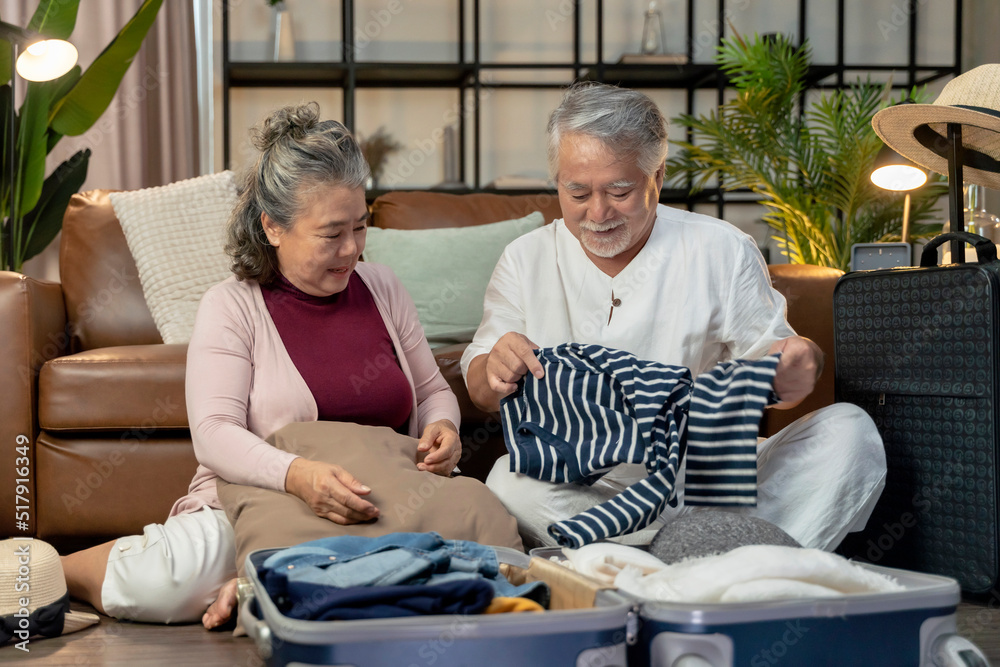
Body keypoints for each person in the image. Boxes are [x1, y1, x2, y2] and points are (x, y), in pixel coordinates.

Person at [60, 102, 463, 629]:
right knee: (165, 584)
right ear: (273, 227)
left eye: (360, 229)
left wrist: (444, 425)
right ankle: (57, 569)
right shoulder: (233, 305)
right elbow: (214, 433)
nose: (351, 250)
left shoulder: (383, 287)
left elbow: (433, 388)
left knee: (473, 554)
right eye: (331, 234)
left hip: (382, 499)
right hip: (268, 497)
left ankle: (264, 584)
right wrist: (297, 475)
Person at [461, 82, 886, 551]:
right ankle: (724, 562)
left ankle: (660, 562)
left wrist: (792, 365)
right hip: (584, 487)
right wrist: (494, 368)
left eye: (620, 191)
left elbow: (777, 368)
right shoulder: (525, 258)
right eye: (577, 192)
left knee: (851, 433)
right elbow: (480, 388)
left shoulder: (720, 247)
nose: (598, 212)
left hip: (710, 485)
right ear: (558, 179)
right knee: (507, 481)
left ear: (657, 177)